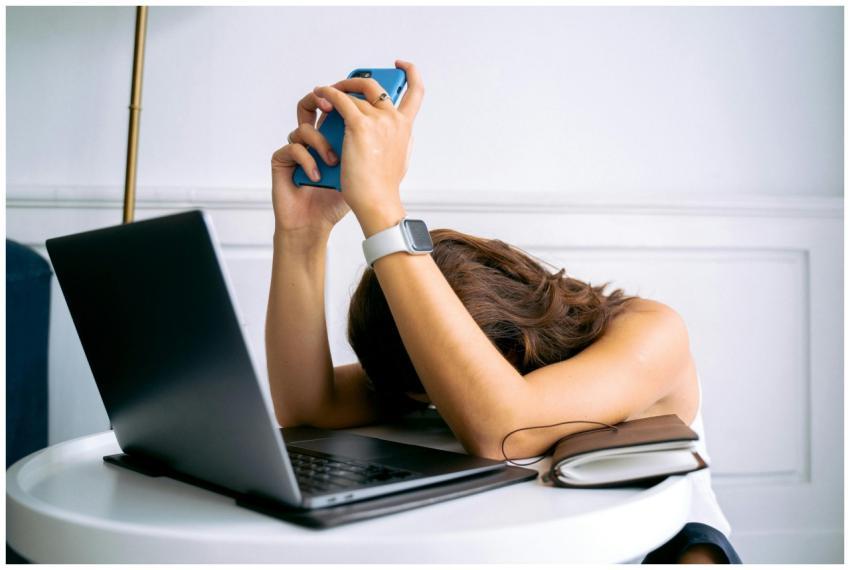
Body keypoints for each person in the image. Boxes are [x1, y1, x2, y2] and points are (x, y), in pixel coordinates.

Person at [265, 59, 741, 564]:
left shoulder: (652, 330)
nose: (429, 399)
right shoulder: (431, 367)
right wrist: (303, 234)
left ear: (517, 343)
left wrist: (382, 206)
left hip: (661, 545)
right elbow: (309, 408)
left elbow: (505, 432)